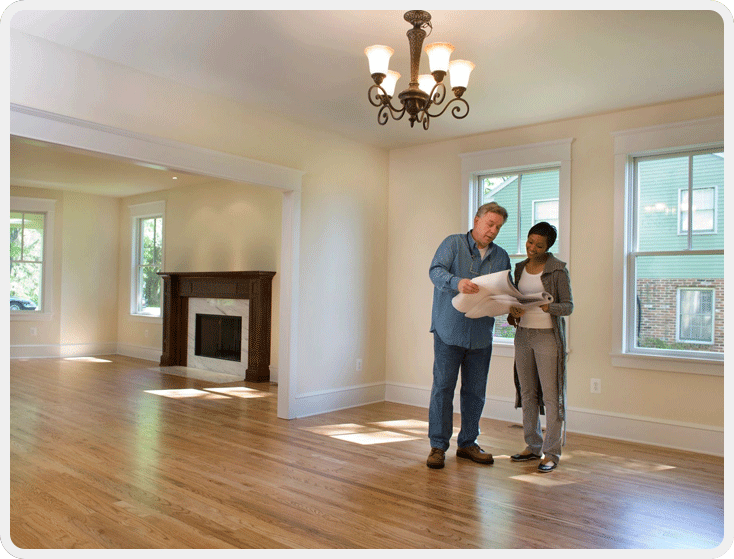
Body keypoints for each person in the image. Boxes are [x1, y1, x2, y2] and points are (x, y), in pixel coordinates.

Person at [426, 202, 511, 469]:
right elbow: (435, 271)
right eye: (490, 224)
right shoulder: (453, 244)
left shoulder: (501, 257)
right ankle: (438, 446)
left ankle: (468, 443)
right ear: (476, 220)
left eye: (498, 227)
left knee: (475, 393)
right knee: (443, 389)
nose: (493, 231)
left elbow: (504, 291)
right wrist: (457, 282)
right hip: (448, 331)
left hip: (481, 335)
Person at [508, 221, 573, 473]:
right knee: (527, 393)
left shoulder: (557, 270)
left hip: (548, 338)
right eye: (530, 241)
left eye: (539, 245)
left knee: (551, 395)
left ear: (548, 247)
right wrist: (513, 311)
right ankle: (532, 446)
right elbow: (515, 301)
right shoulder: (520, 268)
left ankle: (551, 453)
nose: (532, 248)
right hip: (523, 335)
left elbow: (568, 306)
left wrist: (550, 307)